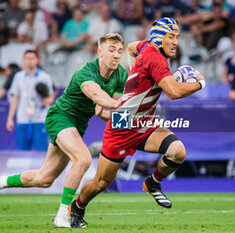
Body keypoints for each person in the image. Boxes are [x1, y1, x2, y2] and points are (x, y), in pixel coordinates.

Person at [0, 33, 127, 229]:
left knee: (45, 178)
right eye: (111, 50)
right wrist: (123, 104)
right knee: (83, 159)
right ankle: (63, 216)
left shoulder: (121, 75)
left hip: (78, 125)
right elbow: (96, 95)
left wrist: (126, 117)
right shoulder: (86, 71)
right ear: (99, 51)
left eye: (120, 51)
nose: (116, 55)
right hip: (60, 117)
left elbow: (102, 112)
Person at [69, 17, 206, 229]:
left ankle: (152, 183)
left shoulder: (148, 48)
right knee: (101, 183)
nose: (176, 42)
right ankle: (77, 207)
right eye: (171, 36)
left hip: (144, 121)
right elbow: (173, 91)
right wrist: (199, 83)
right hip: (122, 126)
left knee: (177, 151)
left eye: (177, 37)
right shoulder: (156, 59)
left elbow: (132, 48)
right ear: (159, 38)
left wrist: (134, 73)